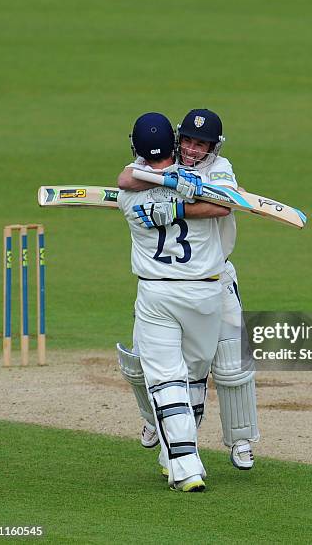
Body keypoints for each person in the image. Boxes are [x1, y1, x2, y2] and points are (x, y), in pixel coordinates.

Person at [118, 109, 259, 468]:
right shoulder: (163, 157)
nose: (194, 151)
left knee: (230, 366)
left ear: (214, 147)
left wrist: (185, 199)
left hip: (216, 276)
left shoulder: (220, 168)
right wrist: (171, 181)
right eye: (189, 142)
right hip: (165, 282)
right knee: (141, 364)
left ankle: (240, 440)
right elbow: (126, 178)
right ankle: (158, 423)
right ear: (178, 140)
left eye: (202, 145)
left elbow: (223, 206)